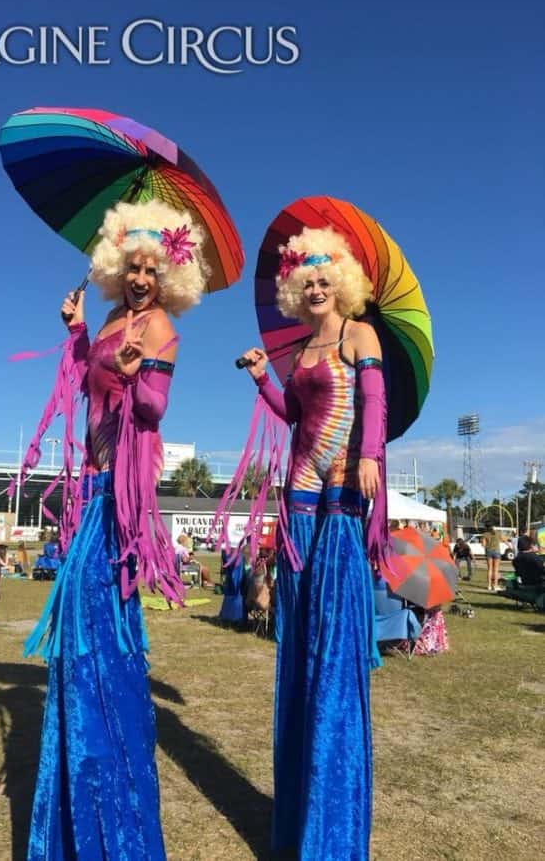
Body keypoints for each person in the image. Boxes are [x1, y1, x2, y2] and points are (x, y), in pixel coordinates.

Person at [22, 199, 210, 861]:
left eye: (149, 270)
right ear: (114, 270)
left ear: (166, 279)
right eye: (129, 267)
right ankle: (78, 806)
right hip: (91, 492)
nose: (138, 279)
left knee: (105, 646)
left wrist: (137, 371)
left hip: (121, 506)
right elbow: (84, 383)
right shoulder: (106, 319)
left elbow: (154, 409)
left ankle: (114, 817)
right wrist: (79, 331)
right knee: (77, 647)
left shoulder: (160, 327)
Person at [232, 223, 387, 859]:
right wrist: (264, 377)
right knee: (299, 635)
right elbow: (293, 417)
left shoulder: (360, 335)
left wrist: (371, 454)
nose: (318, 287)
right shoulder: (300, 354)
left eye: (327, 278)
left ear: (343, 284)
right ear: (297, 291)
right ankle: (303, 802)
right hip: (297, 495)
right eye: (308, 281)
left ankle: (333, 808)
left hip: (342, 490)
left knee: (333, 635)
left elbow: (373, 401)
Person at [481, 524, 502, 591]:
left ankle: (489, 585)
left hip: (488, 551)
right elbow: (504, 539)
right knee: (496, 570)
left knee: (489, 569)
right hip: (496, 551)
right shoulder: (498, 533)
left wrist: (483, 543)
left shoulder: (485, 534)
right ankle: (495, 585)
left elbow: (483, 545)